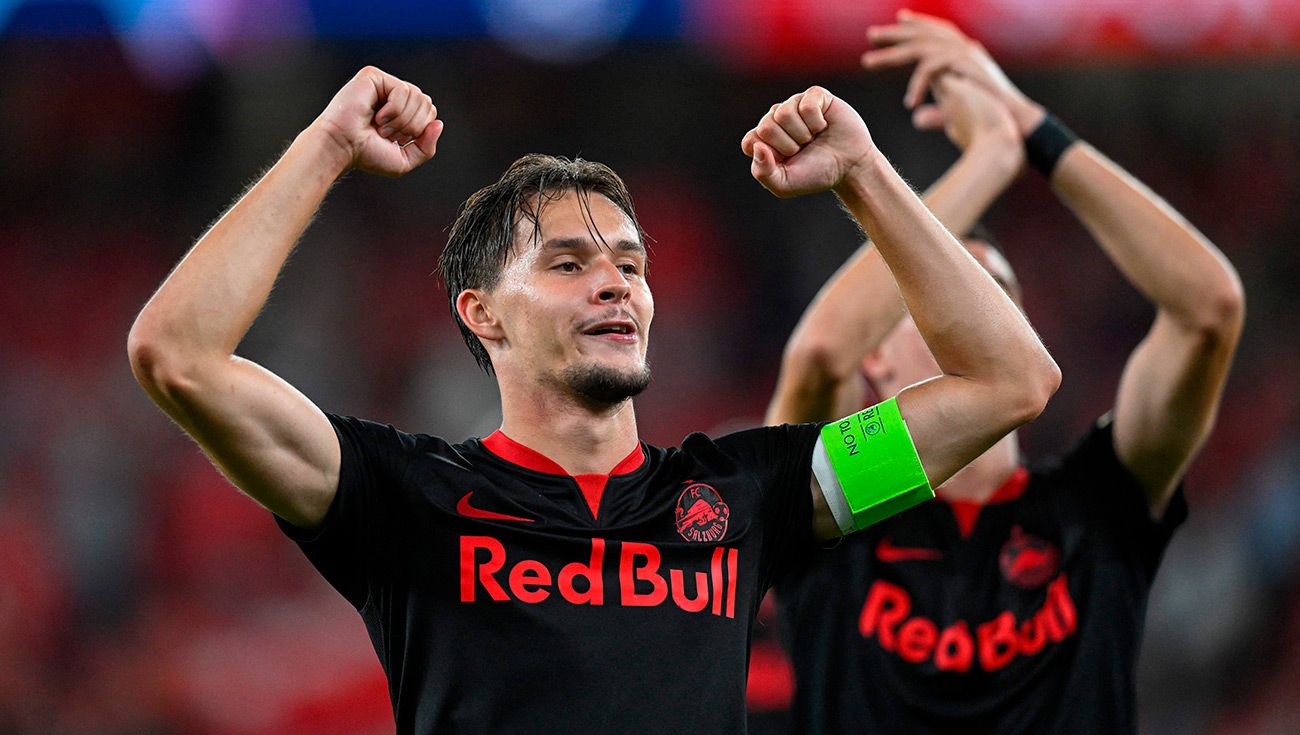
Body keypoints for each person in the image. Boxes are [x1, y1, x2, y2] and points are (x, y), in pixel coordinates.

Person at [126, 65, 1059, 733]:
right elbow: (177, 357)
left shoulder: (754, 495)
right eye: (568, 264)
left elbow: (1011, 382)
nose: (616, 283)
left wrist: (866, 176)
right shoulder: (404, 500)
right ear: (482, 314)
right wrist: (327, 145)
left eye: (631, 265)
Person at [769, 10, 1244, 735]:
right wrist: (988, 159)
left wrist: (1030, 128)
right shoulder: (845, 504)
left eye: (995, 295)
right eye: (928, 302)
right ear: (877, 356)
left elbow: (1209, 308)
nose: (971, 318)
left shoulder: (1094, 507)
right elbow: (820, 354)